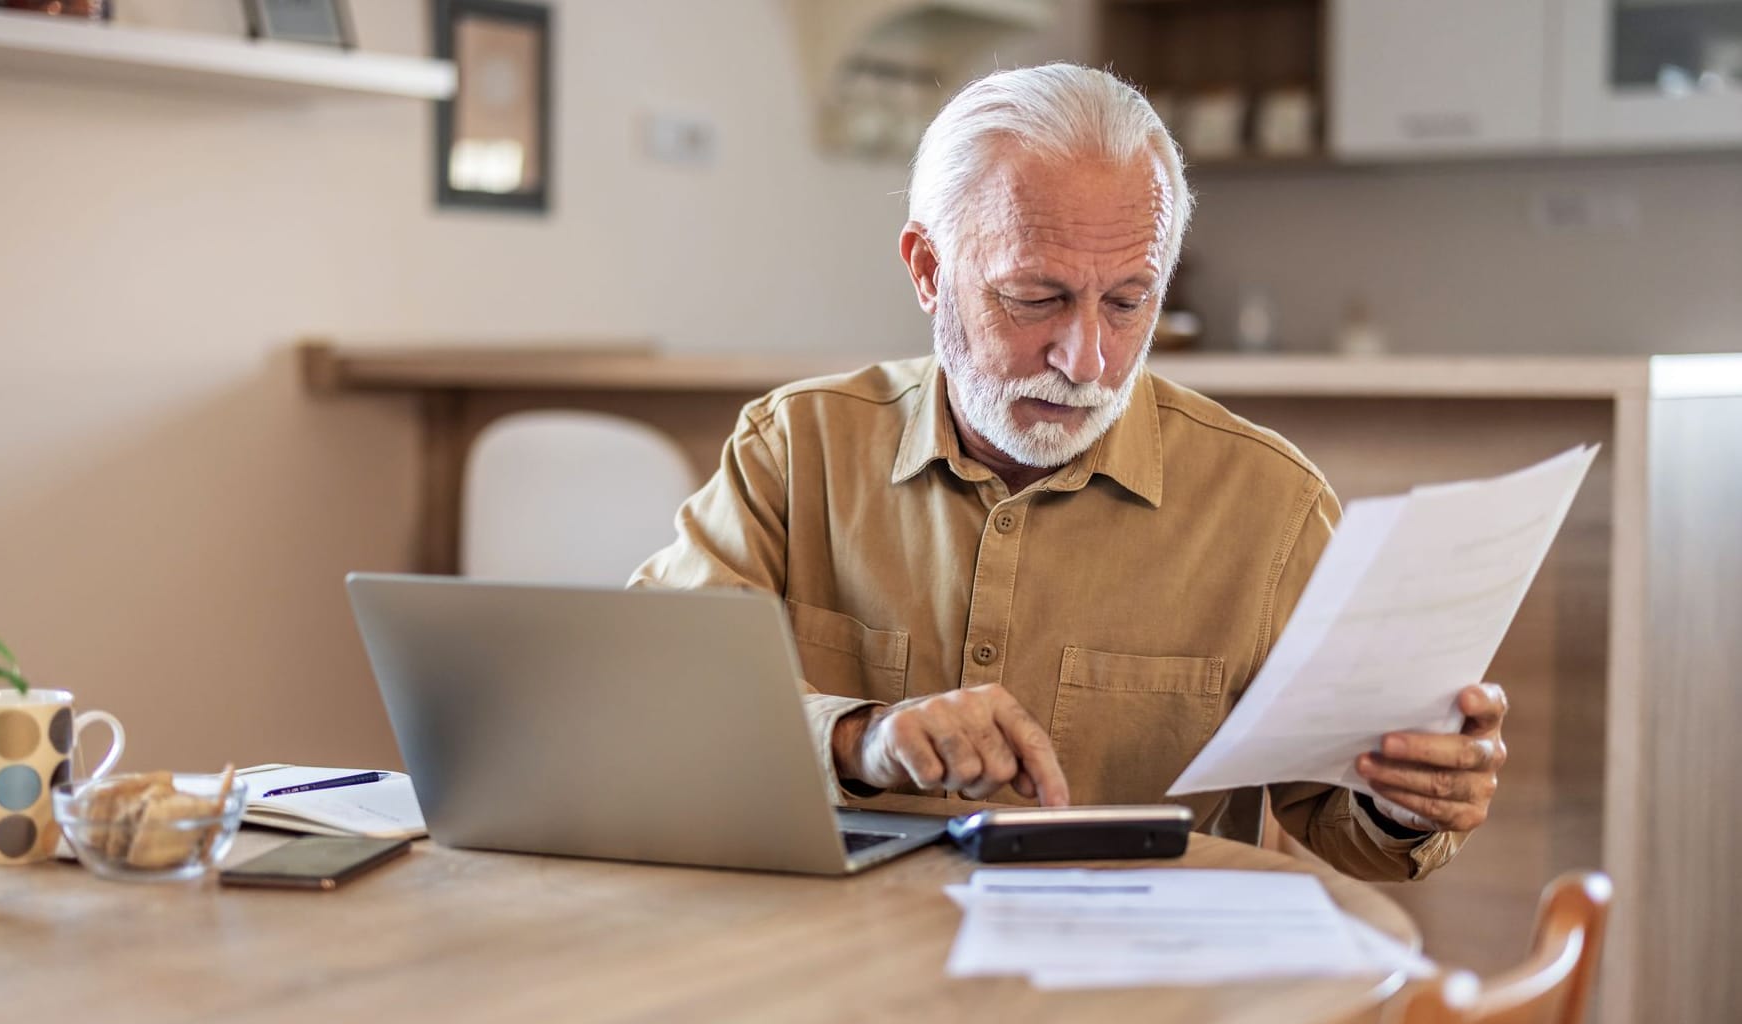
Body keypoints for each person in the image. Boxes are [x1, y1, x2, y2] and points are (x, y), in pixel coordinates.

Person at [632, 64, 1505, 881]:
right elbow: (647, 700)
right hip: (830, 964)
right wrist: (857, 737)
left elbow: (1347, 827)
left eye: (1128, 302)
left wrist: (1403, 803)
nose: (1085, 358)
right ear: (928, 270)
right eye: (1036, 297)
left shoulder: (1270, 510)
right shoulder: (796, 447)